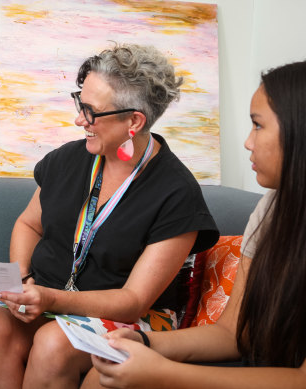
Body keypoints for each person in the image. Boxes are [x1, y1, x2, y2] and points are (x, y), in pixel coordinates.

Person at [0, 43, 219, 388]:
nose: (79, 119)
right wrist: (23, 281)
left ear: (134, 120)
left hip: (135, 317)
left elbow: (133, 301)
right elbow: (28, 223)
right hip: (48, 299)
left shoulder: (177, 194)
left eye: (91, 111)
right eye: (79, 103)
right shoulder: (67, 160)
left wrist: (51, 298)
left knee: (54, 343)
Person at [82, 60, 306, 389]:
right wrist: (140, 343)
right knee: (101, 375)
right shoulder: (272, 210)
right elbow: (231, 333)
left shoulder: (175, 189)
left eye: (258, 125)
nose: (247, 142)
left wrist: (160, 372)